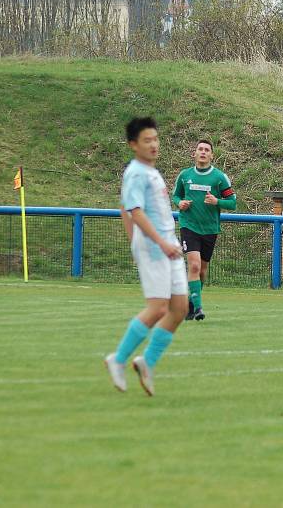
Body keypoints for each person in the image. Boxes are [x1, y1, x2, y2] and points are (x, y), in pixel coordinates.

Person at [104, 117, 188, 396]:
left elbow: (124, 206)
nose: (153, 144)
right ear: (133, 145)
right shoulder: (136, 172)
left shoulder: (151, 171)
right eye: (146, 140)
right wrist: (155, 243)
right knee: (158, 308)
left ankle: (147, 362)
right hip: (156, 248)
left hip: (168, 245)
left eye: (155, 139)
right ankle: (117, 359)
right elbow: (133, 210)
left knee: (179, 309)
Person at [172, 139, 237, 321]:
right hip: (189, 225)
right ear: (194, 153)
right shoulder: (184, 175)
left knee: (202, 270)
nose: (203, 152)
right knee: (194, 265)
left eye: (206, 150)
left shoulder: (219, 177)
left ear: (211, 155)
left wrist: (217, 201)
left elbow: (233, 202)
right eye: (199, 149)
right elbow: (176, 195)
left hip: (210, 228)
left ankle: (191, 304)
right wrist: (180, 203)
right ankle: (199, 308)